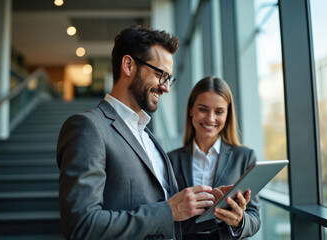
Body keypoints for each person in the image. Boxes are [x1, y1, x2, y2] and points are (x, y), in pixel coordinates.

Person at [56, 25, 216, 240]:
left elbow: (167, 222)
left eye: (169, 78)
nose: (166, 87)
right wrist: (169, 211)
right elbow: (82, 226)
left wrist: (218, 209)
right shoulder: (88, 127)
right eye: (160, 74)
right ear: (129, 65)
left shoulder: (148, 136)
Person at [168, 76, 260, 239]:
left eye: (219, 112)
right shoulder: (170, 160)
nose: (210, 118)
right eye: (203, 109)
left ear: (227, 114)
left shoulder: (244, 157)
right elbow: (167, 214)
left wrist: (239, 221)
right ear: (191, 109)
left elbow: (254, 217)